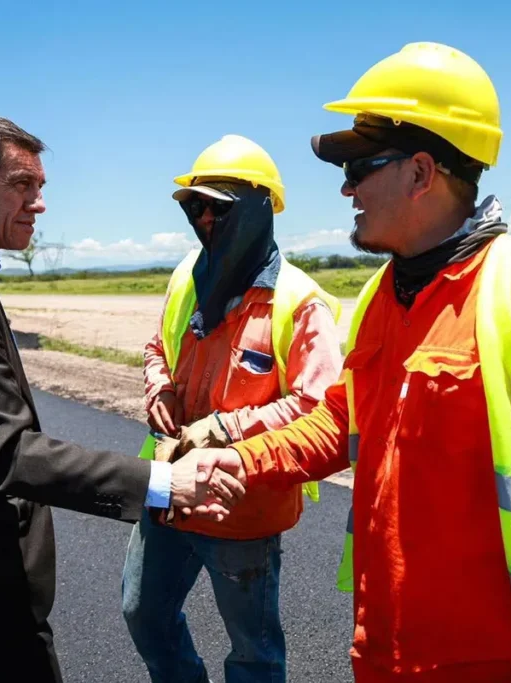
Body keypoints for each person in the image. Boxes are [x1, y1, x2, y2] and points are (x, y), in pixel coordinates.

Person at [192, 42, 511, 682]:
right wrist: (241, 458)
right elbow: (341, 422)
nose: (346, 187)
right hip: (386, 647)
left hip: (498, 661)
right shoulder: (382, 294)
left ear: (422, 173)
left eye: (360, 167)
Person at [0, 112, 242, 683]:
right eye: (20, 185)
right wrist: (163, 482)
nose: (39, 203)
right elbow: (6, 449)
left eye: (40, 186)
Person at [121, 134, 344, 683]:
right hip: (169, 487)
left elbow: (318, 407)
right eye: (195, 206)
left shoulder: (299, 302)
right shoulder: (187, 277)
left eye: (218, 208)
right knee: (143, 611)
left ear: (258, 209)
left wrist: (226, 427)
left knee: (253, 650)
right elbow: (158, 347)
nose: (203, 219)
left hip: (242, 505)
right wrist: (160, 389)